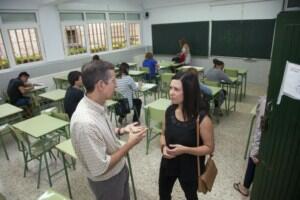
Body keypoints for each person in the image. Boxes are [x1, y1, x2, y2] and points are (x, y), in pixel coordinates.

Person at [71, 60, 147, 200]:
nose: (117, 84)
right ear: (100, 85)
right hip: (107, 181)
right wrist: (130, 144)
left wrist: (122, 130)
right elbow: (101, 167)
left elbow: (104, 129)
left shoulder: (98, 104)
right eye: (113, 80)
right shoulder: (84, 123)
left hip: (119, 169)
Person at [159, 71, 214, 200]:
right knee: (163, 194)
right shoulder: (170, 111)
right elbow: (163, 134)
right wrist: (163, 147)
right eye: (170, 88)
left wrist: (185, 150)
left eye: (176, 89)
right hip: (168, 163)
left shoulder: (202, 118)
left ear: (189, 92)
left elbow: (209, 148)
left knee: (191, 196)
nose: (171, 92)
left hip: (190, 168)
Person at [233, 96, 266, 197]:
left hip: (263, 143)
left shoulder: (266, 101)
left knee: (253, 158)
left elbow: (259, 129)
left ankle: (245, 188)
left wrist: (254, 150)